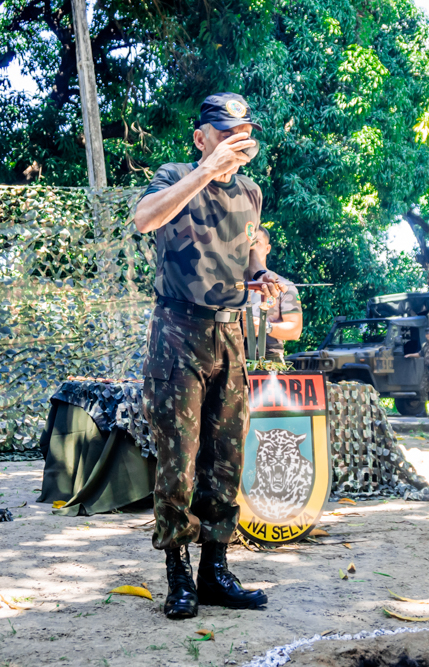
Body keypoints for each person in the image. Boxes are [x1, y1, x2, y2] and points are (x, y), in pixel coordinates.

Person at [133, 92, 284, 620]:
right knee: (177, 462)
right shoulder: (173, 176)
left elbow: (246, 264)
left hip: (231, 337)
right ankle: (177, 574)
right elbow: (144, 220)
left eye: (244, 131)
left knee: (226, 459)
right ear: (202, 137)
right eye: (226, 132)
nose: (238, 140)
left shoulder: (251, 193)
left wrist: (261, 278)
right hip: (178, 333)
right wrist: (206, 171)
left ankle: (214, 571)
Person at [247, 228, 303, 362]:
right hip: (230, 355)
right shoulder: (228, 285)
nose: (251, 249)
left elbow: (295, 330)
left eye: (256, 242)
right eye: (247, 243)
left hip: (269, 358)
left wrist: (263, 326)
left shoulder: (283, 286)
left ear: (267, 248)